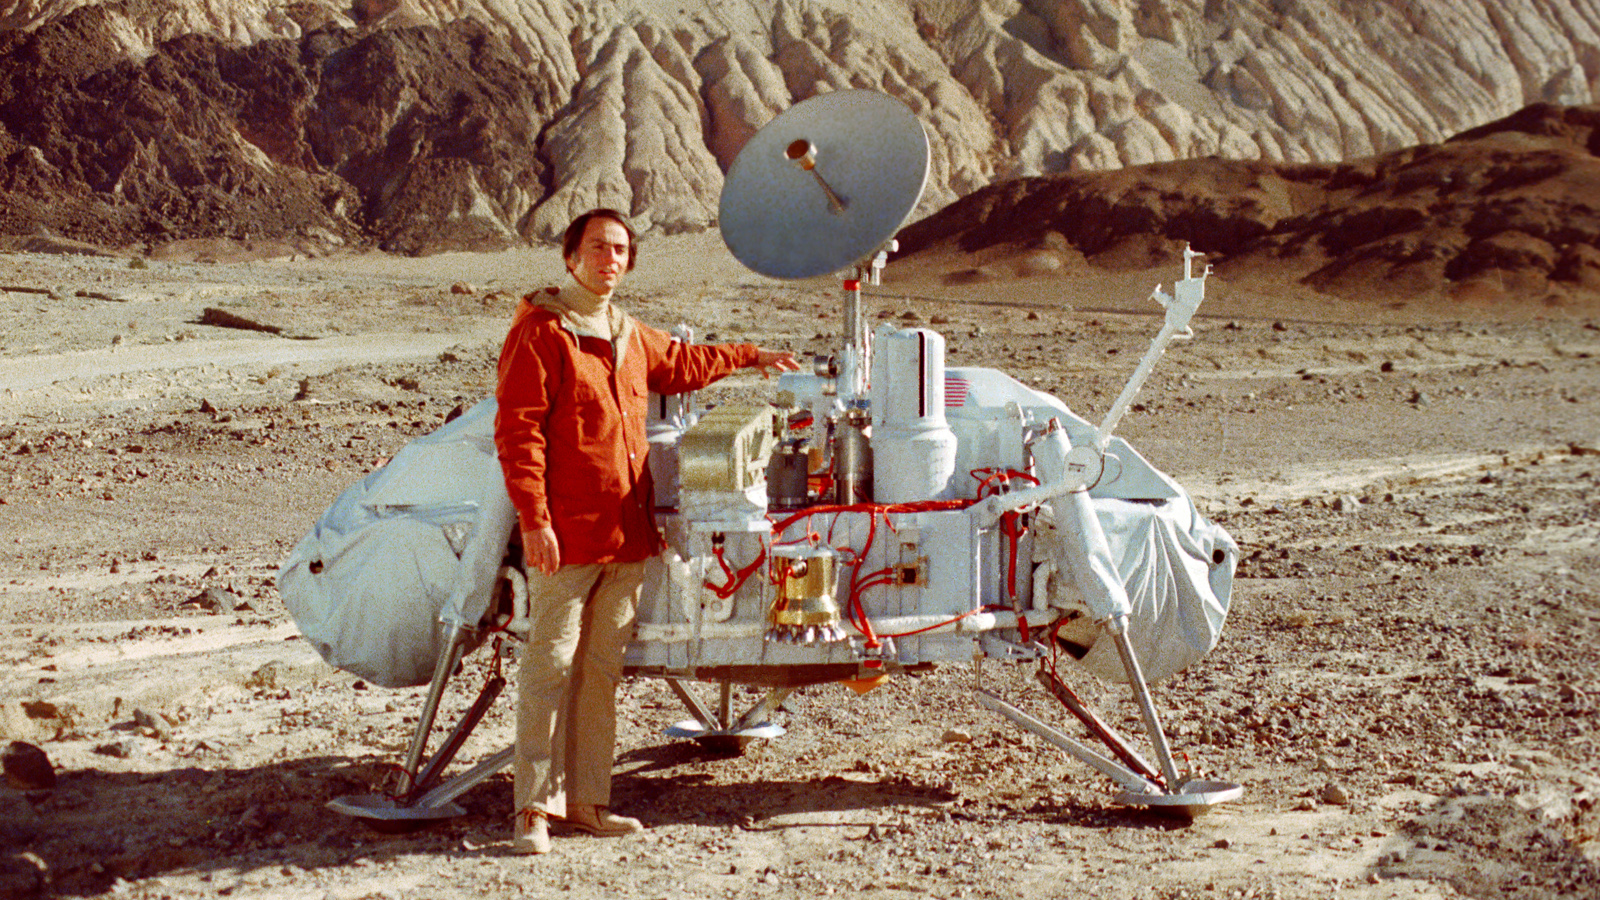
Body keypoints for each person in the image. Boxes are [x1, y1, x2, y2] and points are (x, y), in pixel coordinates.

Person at [494, 208, 799, 854]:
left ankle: (588, 803)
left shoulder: (629, 334)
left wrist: (751, 356)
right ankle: (532, 810)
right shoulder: (542, 332)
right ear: (570, 257)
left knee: (601, 671)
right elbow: (518, 435)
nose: (611, 258)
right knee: (549, 666)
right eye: (599, 247)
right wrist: (535, 522)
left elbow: (686, 363)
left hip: (627, 537)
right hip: (565, 537)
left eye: (622, 250)